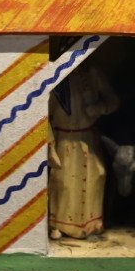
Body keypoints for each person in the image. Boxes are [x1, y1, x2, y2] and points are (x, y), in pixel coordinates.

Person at [49, 65, 120, 239]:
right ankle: (59, 224)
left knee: (95, 177)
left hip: (89, 138)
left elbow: (113, 101)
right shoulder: (56, 78)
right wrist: (49, 144)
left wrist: (100, 107)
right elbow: (43, 115)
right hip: (64, 139)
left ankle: (92, 224)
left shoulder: (93, 74)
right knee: (64, 182)